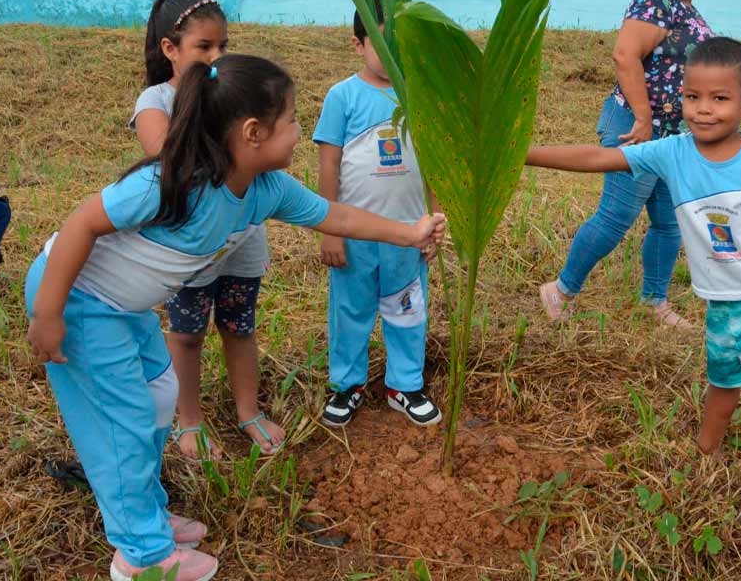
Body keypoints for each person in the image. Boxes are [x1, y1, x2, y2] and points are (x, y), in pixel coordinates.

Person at [26, 54, 446, 581]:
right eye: (291, 120)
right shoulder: (175, 184)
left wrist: (410, 233)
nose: (298, 132)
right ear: (252, 132)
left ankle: (146, 515)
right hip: (76, 299)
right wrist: (47, 314)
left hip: (121, 308)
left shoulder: (265, 190)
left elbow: (336, 215)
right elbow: (82, 223)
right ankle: (140, 555)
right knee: (123, 424)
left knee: (159, 399)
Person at [526, 38, 741, 543]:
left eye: (720, 99)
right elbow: (600, 158)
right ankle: (704, 454)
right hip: (721, 303)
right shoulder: (671, 152)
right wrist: (522, 153)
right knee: (722, 384)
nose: (704, 110)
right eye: (692, 97)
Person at [130, 0, 281, 458]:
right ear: (170, 49)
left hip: (243, 237)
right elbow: (164, 157)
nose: (217, 57)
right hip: (189, 248)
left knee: (240, 327)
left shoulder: (233, 95)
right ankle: (189, 421)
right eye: (204, 47)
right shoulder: (156, 101)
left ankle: (248, 411)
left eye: (224, 46)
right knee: (188, 334)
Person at [538, 0, 715, 329]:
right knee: (615, 216)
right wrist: (642, 118)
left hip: (674, 137)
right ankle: (560, 290)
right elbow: (625, 54)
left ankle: (655, 301)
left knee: (670, 222)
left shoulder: (688, 10)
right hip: (636, 127)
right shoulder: (656, 0)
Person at [314, 0, 441, 428]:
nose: (392, 56)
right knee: (350, 311)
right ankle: (346, 385)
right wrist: (330, 229)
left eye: (401, 46)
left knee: (407, 310)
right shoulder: (342, 97)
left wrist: (435, 221)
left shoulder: (420, 97)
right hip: (355, 236)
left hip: (408, 233)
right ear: (357, 44)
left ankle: (404, 385)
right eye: (382, 44)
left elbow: (433, 166)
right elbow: (329, 164)